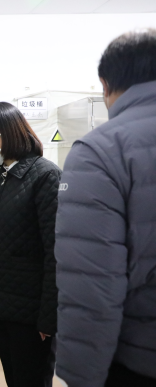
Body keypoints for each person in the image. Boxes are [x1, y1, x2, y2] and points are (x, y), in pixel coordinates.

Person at [55, 29, 156, 387]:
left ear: (105, 85)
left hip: (140, 358)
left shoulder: (101, 151)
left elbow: (92, 285)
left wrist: (79, 376)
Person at [0, 102, 61, 387]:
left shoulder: (45, 176)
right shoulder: (0, 182)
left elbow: (57, 252)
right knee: (14, 378)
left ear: (9, 130)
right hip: (3, 306)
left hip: (32, 312)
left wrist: (49, 317)